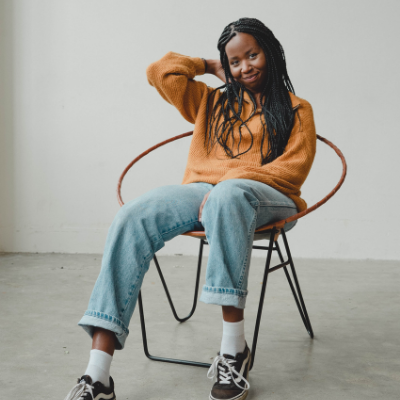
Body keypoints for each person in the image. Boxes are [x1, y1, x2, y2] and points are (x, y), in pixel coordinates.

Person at [64, 17, 316, 400]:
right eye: (234, 61)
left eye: (252, 54)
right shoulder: (212, 101)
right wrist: (208, 66)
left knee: (228, 196)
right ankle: (97, 375)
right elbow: (159, 72)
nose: (245, 66)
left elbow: (292, 170)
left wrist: (231, 180)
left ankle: (234, 351)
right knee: (134, 215)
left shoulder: (298, 109)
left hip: (268, 195)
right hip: (205, 192)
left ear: (271, 51)